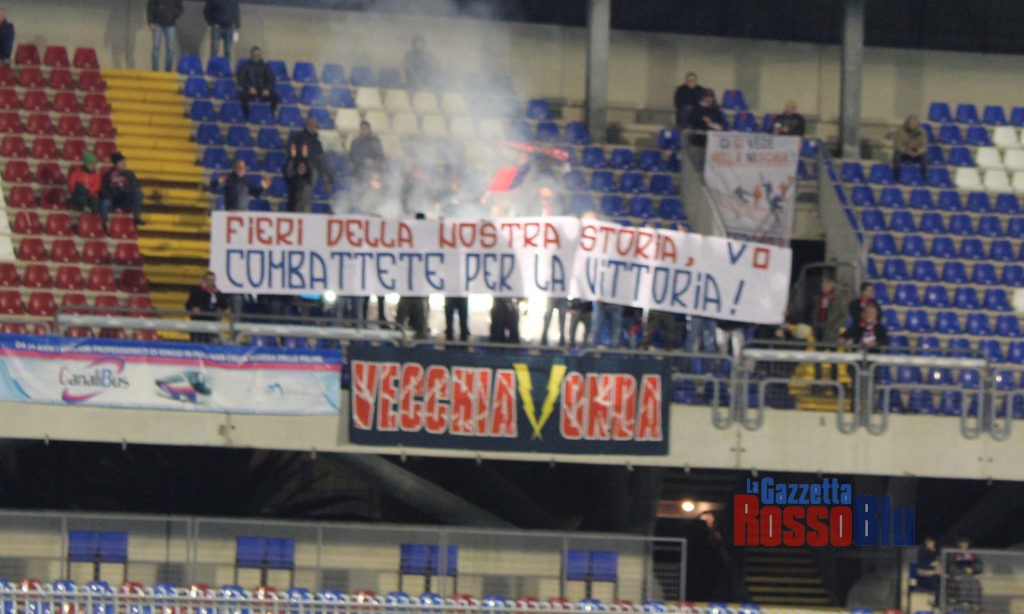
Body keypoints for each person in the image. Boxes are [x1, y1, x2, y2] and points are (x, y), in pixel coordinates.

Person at [810, 277, 846, 389]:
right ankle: (817, 383)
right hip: (819, 329)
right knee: (818, 358)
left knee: (833, 359)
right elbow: (815, 312)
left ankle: (834, 384)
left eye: (825, 284)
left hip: (831, 332)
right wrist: (815, 324)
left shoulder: (838, 299)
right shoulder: (818, 298)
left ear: (831, 285)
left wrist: (834, 327)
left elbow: (842, 315)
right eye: (822, 284)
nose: (823, 286)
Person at [99, 153, 144, 228]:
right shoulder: (107, 175)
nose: (124, 164)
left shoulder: (129, 174)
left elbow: (135, 186)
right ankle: (104, 223)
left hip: (125, 200)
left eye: (124, 162)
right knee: (105, 202)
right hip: (113, 201)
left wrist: (124, 188)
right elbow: (103, 191)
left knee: (138, 192)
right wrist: (114, 193)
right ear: (115, 164)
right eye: (121, 162)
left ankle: (137, 217)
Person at [287, 117, 331, 191]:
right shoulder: (299, 136)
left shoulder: (317, 140)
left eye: (315, 126)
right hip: (301, 161)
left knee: (325, 163)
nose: (313, 128)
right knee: (312, 172)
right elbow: (291, 148)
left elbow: (320, 153)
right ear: (307, 126)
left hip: (315, 161)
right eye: (311, 125)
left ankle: (328, 183)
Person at [236, 46, 279, 120]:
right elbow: (241, 79)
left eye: (259, 55)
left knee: (275, 97)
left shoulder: (266, 66)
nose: (257, 56)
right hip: (250, 90)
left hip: (263, 90)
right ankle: (246, 117)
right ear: (252, 55)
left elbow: (271, 79)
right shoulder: (245, 66)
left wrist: (267, 89)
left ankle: (271, 115)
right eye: (255, 55)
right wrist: (249, 88)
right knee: (243, 97)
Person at [185, 271, 229, 343]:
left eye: (213, 280)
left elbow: (225, 306)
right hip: (198, 321)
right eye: (209, 280)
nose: (211, 282)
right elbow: (188, 304)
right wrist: (193, 308)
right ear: (204, 280)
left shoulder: (217, 293)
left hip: (212, 322)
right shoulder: (196, 290)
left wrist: (218, 294)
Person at [947, 538, 983, 613]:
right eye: (962, 543)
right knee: (964, 581)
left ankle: (974, 604)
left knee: (974, 584)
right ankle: (964, 602)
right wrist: (956, 575)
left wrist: (972, 569)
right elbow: (950, 566)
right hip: (958, 577)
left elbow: (979, 566)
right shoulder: (954, 554)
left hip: (970, 576)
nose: (964, 545)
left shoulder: (972, 554)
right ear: (959, 544)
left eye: (965, 543)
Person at [147, 0, 184, 72]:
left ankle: (168, 69)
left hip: (170, 25)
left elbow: (180, 8)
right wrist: (150, 21)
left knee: (170, 48)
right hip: (157, 24)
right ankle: (155, 69)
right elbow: (150, 7)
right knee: (156, 47)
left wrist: (172, 15)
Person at [204, 0, 240, 64]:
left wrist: (237, 25)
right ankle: (213, 66)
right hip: (217, 27)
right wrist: (212, 23)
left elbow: (236, 12)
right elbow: (206, 11)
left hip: (229, 27)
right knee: (214, 49)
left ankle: (226, 67)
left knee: (228, 51)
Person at [284, 143, 316, 213]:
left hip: (305, 210)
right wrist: (293, 158)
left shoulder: (309, 180)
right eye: (300, 166)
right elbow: (288, 171)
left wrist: (306, 158)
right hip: (292, 209)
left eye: (303, 167)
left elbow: (312, 171)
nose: (301, 168)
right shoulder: (293, 179)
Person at [67, 152, 101, 216]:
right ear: (86, 164)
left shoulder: (97, 175)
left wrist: (86, 191)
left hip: (91, 196)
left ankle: (86, 208)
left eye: (94, 164)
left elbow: (97, 187)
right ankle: (84, 206)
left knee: (93, 201)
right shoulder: (76, 172)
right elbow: (71, 185)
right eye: (91, 164)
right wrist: (81, 189)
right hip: (77, 195)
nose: (93, 166)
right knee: (79, 186)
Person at [915, 537, 940, 603]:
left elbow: (937, 563)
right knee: (936, 578)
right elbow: (922, 565)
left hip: (931, 572)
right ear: (927, 543)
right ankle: (935, 599)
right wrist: (931, 566)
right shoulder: (922, 552)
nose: (932, 544)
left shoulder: (934, 552)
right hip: (923, 573)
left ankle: (937, 599)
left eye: (933, 543)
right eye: (930, 543)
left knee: (939, 577)